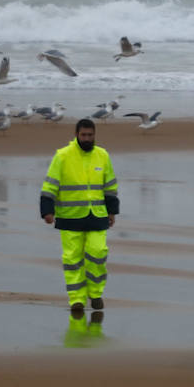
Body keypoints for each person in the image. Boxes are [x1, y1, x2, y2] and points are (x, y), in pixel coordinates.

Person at [40, 118, 119, 315]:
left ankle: (96, 294)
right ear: (76, 135)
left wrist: (112, 211)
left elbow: (109, 186)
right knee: (72, 259)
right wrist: (47, 210)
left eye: (90, 135)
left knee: (98, 253)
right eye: (83, 135)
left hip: (97, 214)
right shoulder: (63, 156)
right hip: (70, 217)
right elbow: (50, 185)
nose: (86, 138)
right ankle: (76, 299)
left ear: (94, 135)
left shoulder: (102, 155)